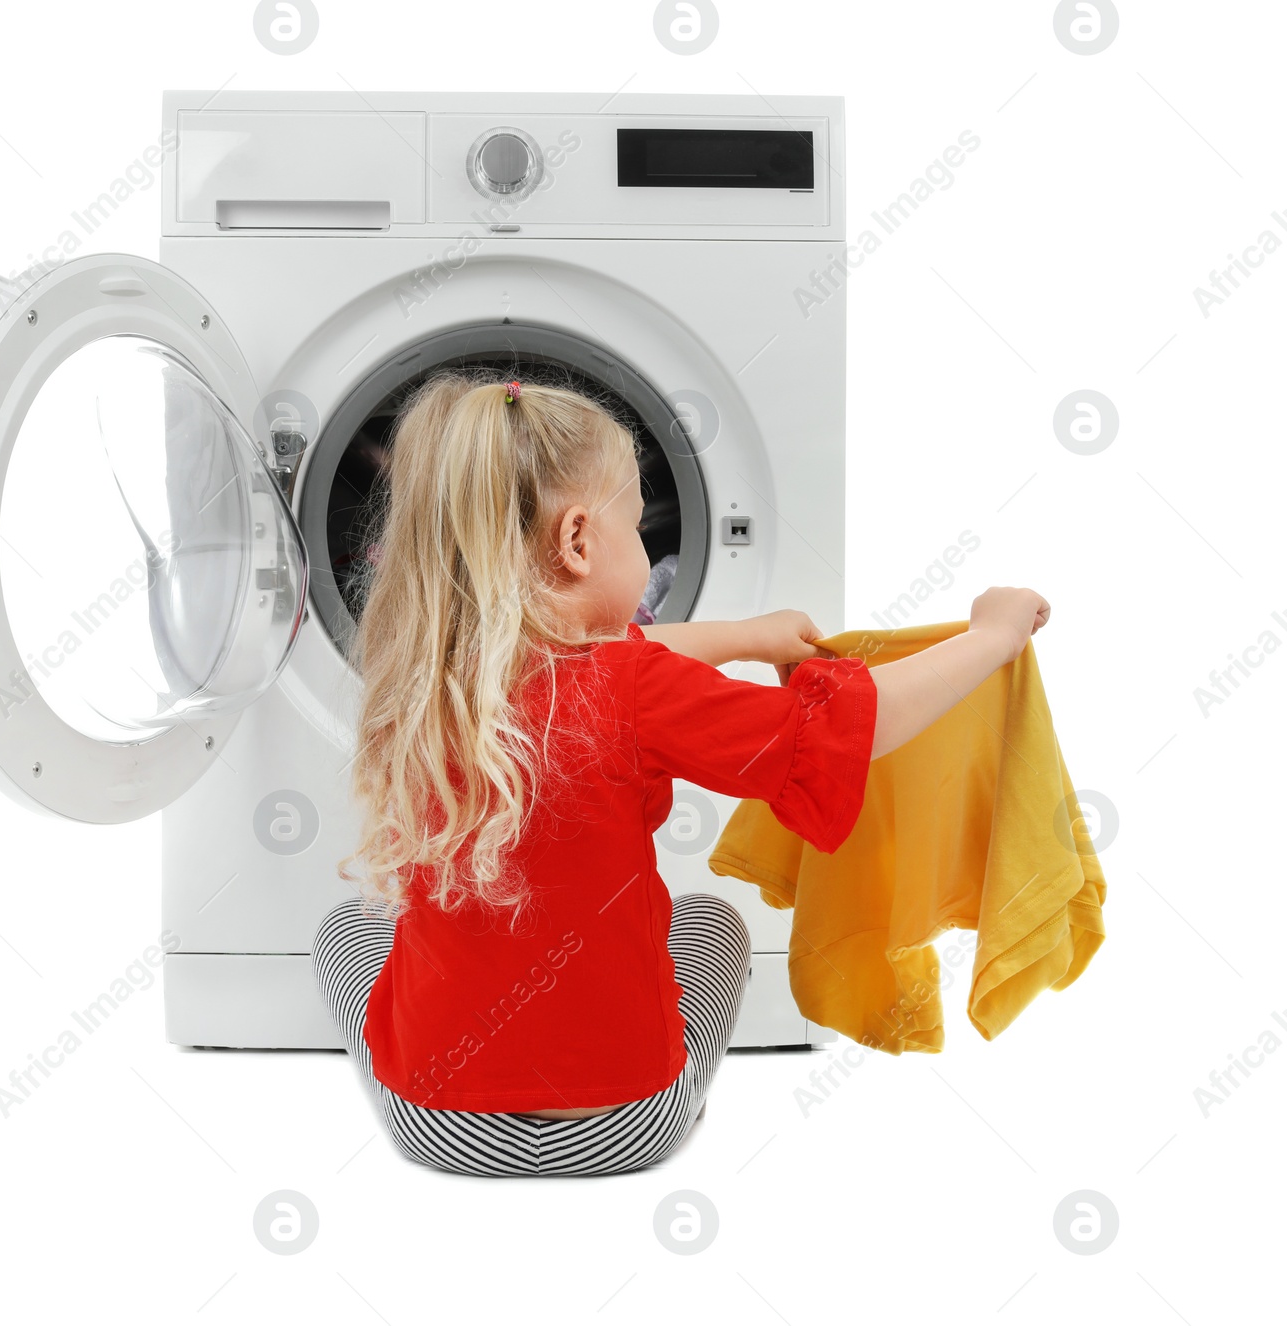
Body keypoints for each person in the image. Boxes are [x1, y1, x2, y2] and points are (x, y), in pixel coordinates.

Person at [312, 375, 1049, 1176]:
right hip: (626, 1124)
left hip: (438, 1126)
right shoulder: (633, 692)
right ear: (581, 542)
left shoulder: (423, 679)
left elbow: (612, 666)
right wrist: (991, 639)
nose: (643, 545)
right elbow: (841, 731)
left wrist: (741, 637)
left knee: (347, 931)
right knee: (711, 923)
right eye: (636, 528)